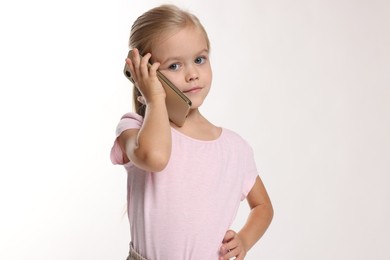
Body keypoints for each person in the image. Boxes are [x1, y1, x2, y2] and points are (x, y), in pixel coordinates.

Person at [110, 4, 273, 260]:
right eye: (174, 66)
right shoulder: (134, 129)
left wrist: (244, 239)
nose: (193, 74)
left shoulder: (234, 147)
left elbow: (263, 206)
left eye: (199, 59)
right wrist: (154, 100)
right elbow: (156, 157)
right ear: (143, 73)